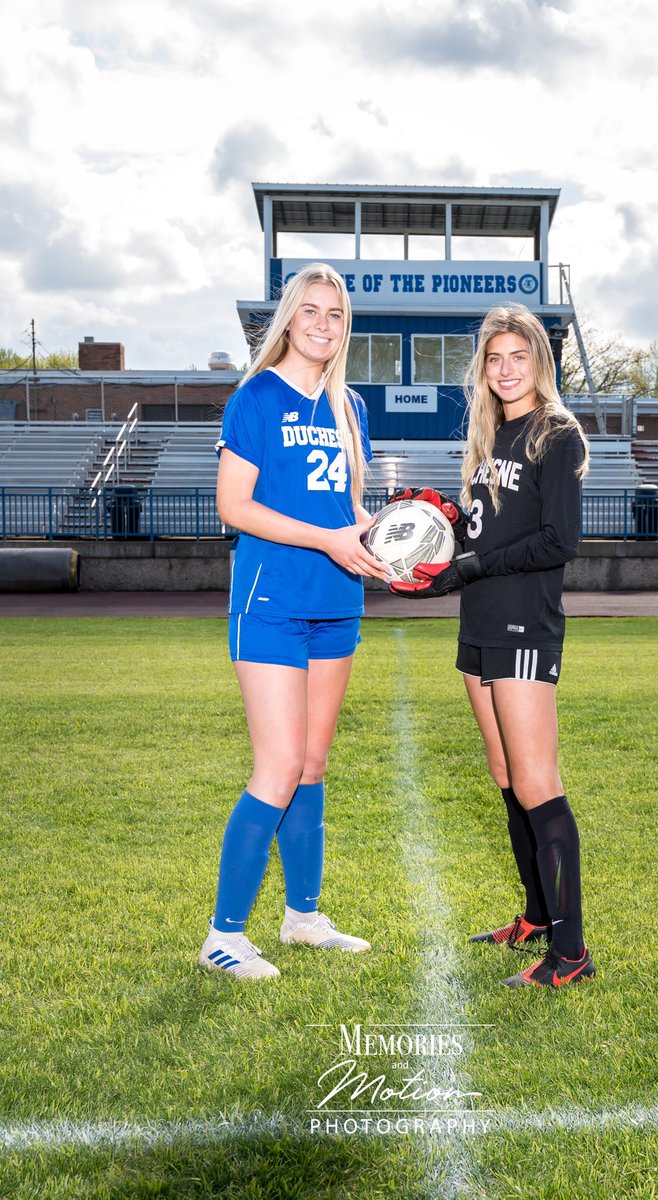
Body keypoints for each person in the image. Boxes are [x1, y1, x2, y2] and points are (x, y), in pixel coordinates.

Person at [391, 305, 595, 988]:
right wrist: (431, 544)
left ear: (539, 360)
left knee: (538, 781)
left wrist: (472, 566)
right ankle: (536, 917)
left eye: (519, 356)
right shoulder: (489, 436)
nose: (506, 370)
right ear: (482, 368)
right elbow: (483, 536)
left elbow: (557, 541)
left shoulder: (556, 434)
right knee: (505, 774)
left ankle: (571, 953)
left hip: (524, 626)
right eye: (494, 358)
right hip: (479, 622)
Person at [199, 263, 388, 981]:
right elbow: (234, 507)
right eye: (310, 310)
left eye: (335, 314)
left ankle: (303, 918)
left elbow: (344, 511)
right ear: (288, 319)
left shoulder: (350, 409)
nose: (323, 323)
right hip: (272, 601)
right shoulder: (254, 398)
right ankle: (223, 936)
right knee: (276, 766)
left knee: (312, 764)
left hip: (337, 601)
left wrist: (390, 539)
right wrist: (330, 539)